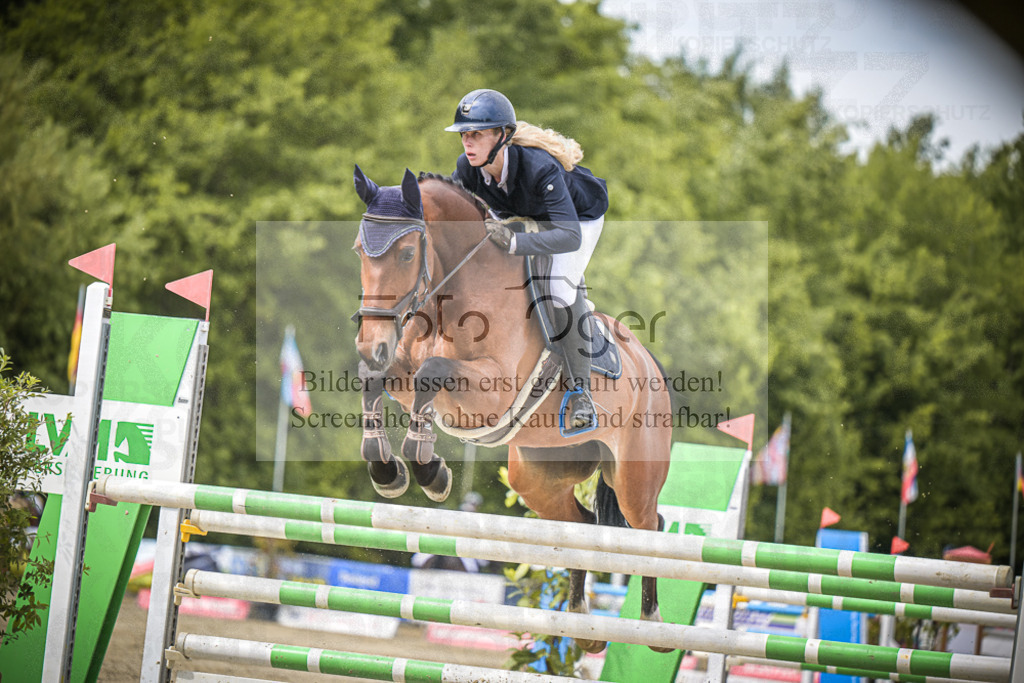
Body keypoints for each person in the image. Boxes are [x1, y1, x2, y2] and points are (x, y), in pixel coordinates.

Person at [445, 88, 608, 432]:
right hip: (525, 214)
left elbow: (568, 236)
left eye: (476, 134)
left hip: (577, 221)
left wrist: (516, 242)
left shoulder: (539, 168)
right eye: (464, 135)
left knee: (559, 289)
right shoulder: (467, 168)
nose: (467, 143)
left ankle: (581, 394)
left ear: (501, 136)